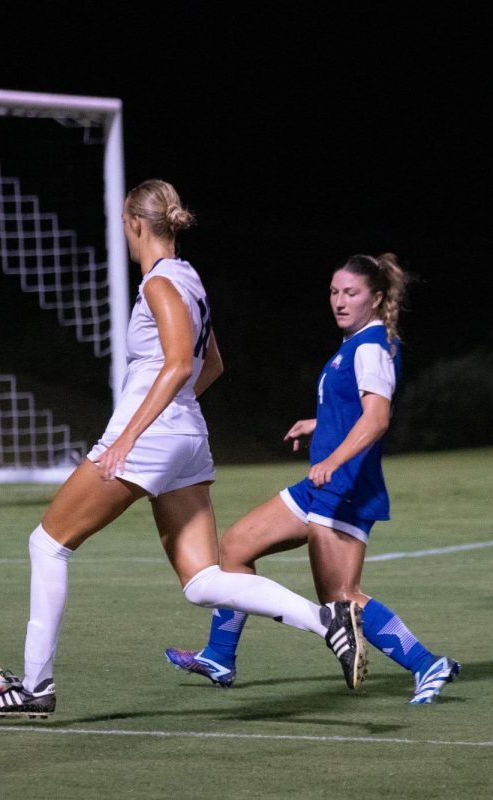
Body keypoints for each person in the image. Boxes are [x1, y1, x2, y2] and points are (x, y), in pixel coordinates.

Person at [0, 180, 367, 718]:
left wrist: (132, 436)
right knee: (204, 581)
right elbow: (213, 365)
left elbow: (182, 363)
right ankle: (326, 622)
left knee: (47, 544)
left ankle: (37, 688)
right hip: (185, 436)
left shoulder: (159, 283)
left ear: (137, 223)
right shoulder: (190, 280)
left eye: (124, 224)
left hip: (152, 437)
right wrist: (172, 419)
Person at [166, 253, 461, 704]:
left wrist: (333, 459)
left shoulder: (370, 346)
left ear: (377, 298)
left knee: (340, 598)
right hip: (321, 487)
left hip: (344, 489)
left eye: (352, 293)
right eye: (334, 291)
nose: (339, 301)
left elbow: (377, 419)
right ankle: (219, 656)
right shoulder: (355, 344)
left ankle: (427, 664)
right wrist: (318, 424)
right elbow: (352, 414)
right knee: (235, 547)